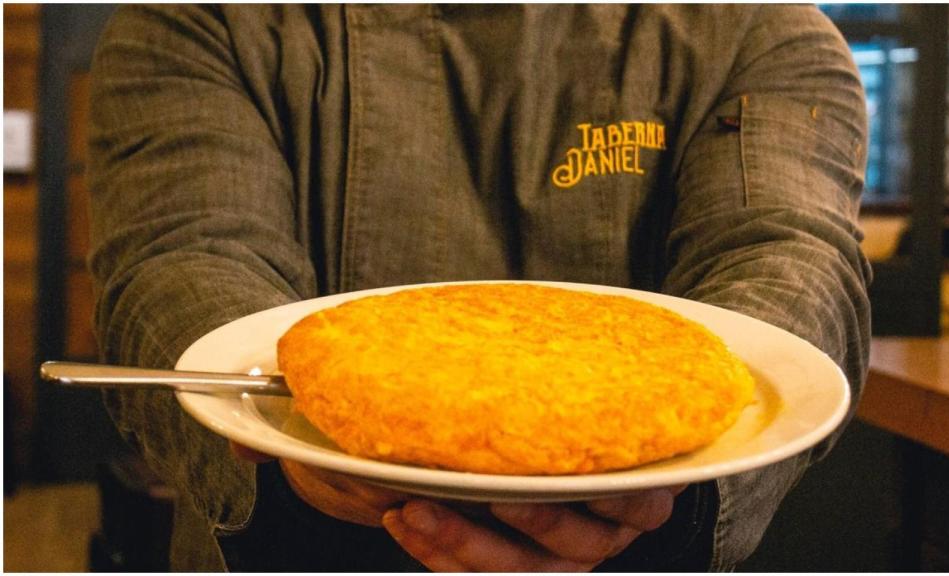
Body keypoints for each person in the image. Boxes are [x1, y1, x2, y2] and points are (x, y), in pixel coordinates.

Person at [87, 4, 871, 572]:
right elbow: (181, 263)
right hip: (297, 541)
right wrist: (285, 446)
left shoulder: (759, 32)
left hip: (646, 547)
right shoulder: (200, 19)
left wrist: (662, 498)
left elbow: (789, 261)